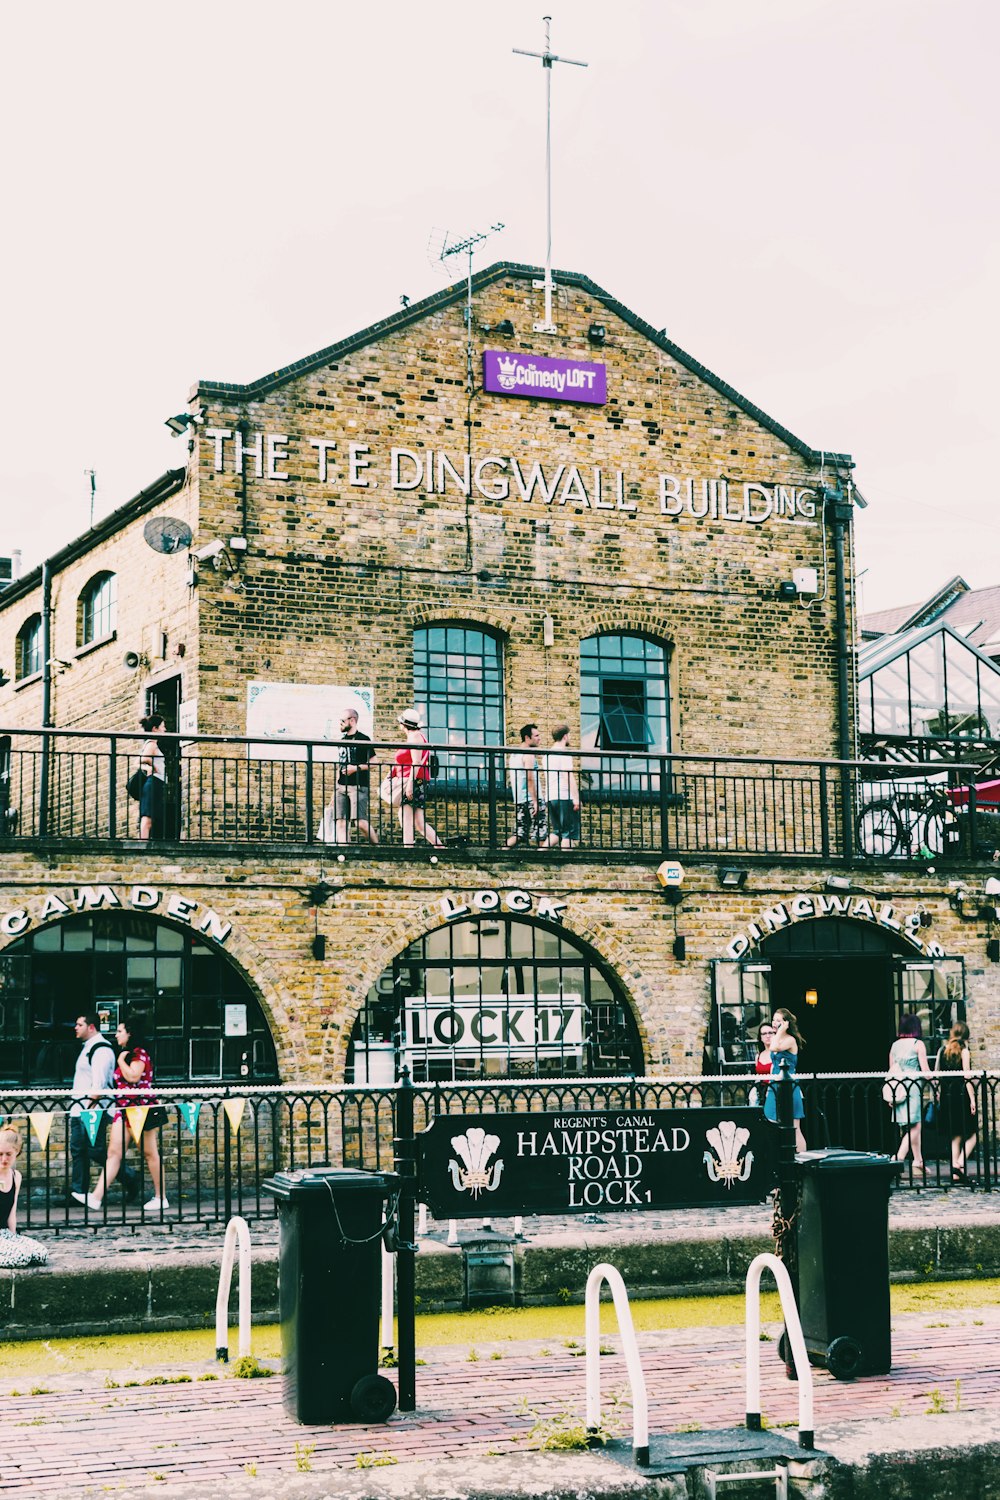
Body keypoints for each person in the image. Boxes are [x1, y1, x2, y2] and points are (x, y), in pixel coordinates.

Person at [87, 1015, 166, 1212]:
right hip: (123, 1109)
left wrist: (121, 1059)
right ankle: (96, 1197)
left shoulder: (138, 1054)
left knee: (150, 1153)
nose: (116, 1035)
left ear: (130, 1034)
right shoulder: (129, 1053)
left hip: (141, 1109)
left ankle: (161, 1197)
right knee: (114, 1153)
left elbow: (133, 1076)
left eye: (120, 1031)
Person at [67, 1012, 137, 1206]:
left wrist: (88, 1108)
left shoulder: (101, 1049)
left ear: (91, 1027)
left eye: (79, 1024)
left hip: (91, 1110)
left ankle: (131, 1178)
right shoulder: (87, 1047)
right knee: (78, 1150)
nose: (75, 1027)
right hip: (79, 1107)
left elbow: (99, 1084)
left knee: (94, 1150)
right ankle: (78, 1192)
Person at [887, 1013, 932, 1176]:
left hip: (898, 1087)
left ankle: (917, 1160)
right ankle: (898, 1158)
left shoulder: (894, 1045)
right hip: (913, 1087)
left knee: (911, 1125)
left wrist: (891, 1094)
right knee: (916, 1126)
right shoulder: (917, 1044)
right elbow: (926, 1071)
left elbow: (891, 1070)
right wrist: (936, 1083)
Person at [391, 710, 443, 850]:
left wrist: (409, 785)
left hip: (414, 781)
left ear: (403, 724)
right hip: (417, 780)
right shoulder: (416, 736)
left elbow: (416, 762)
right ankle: (440, 847)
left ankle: (408, 849)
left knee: (406, 816)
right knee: (419, 822)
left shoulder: (415, 738)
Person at [934, 1021, 977, 1184]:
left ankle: (955, 1172)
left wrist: (937, 1093)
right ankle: (959, 1163)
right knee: (974, 1134)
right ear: (966, 1036)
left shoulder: (942, 1050)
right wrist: (972, 1099)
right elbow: (967, 1077)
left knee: (956, 1135)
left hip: (946, 1095)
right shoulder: (964, 1051)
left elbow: (936, 1074)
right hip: (960, 1096)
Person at [0, 1129, 48, 1267]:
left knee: (40, 1254)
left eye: (8, 1154)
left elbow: (12, 1211)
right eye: (0, 1154)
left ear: (17, 1152)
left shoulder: (16, 1176)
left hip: (4, 1233)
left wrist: (14, 1237)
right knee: (21, 1257)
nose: (4, 1159)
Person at [330, 708, 378, 844]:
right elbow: (340, 767)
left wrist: (355, 768)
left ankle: (377, 847)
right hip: (341, 787)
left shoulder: (364, 739)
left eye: (342, 721)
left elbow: (374, 763)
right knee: (340, 822)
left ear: (352, 720)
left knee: (360, 822)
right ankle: (344, 853)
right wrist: (334, 790)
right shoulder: (342, 740)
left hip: (358, 786)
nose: (340, 723)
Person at [762, 1008, 807, 1152]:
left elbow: (773, 1047)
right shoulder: (778, 1038)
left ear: (786, 1023)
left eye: (778, 1021)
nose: (774, 1023)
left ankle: (801, 1161)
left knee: (794, 1126)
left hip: (788, 1084)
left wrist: (781, 1031)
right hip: (775, 1084)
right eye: (774, 1020)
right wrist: (769, 1087)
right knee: (769, 1119)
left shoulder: (790, 1040)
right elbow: (772, 1064)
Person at [506, 723, 547, 848]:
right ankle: (545, 861)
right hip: (531, 799)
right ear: (527, 738)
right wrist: (535, 801)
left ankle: (501, 850)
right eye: (536, 735)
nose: (539, 738)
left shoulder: (514, 755)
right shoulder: (528, 754)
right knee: (541, 831)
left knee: (520, 833)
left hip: (520, 799)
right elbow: (530, 779)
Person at [545, 724, 580, 849]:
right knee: (568, 834)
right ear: (565, 736)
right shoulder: (564, 753)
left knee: (557, 831)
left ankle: (540, 853)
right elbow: (568, 776)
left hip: (550, 797)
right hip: (564, 796)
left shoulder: (546, 755)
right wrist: (576, 798)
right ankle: (566, 862)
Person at [137, 713, 167, 840]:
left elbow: (137, 762)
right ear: (155, 729)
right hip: (153, 783)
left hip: (155, 783)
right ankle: (142, 843)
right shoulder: (152, 744)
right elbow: (143, 759)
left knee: (150, 816)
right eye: (162, 727)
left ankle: (144, 840)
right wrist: (153, 767)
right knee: (147, 816)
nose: (164, 730)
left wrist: (149, 767)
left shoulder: (149, 744)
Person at [749, 1020, 775, 1108]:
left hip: (774, 1091)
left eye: (770, 1033)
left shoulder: (778, 1054)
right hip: (761, 1093)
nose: (767, 1036)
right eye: (764, 1034)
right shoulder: (758, 1056)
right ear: (760, 1037)